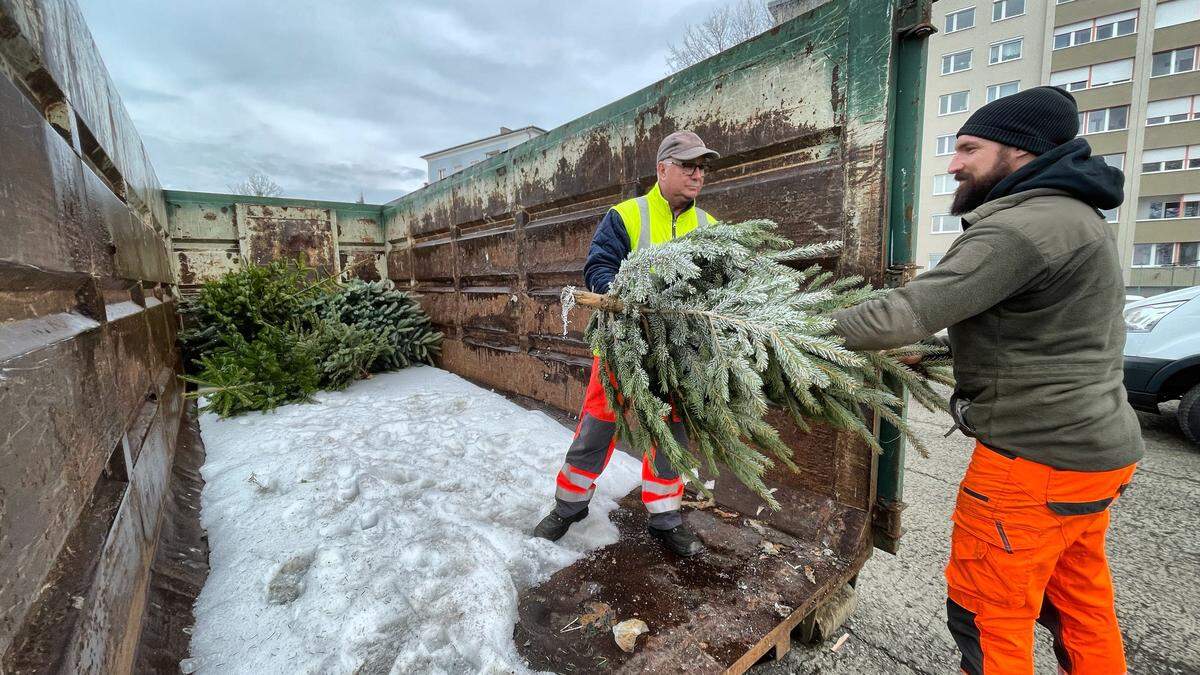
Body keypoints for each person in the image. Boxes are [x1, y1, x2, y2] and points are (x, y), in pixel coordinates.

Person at [832, 87, 1143, 674]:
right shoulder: (1077, 217)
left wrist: (775, 327)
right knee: (1078, 605)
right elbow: (1040, 331)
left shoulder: (1020, 228)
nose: (953, 164)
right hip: (1095, 454)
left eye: (969, 148)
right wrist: (941, 350)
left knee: (987, 614)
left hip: (1033, 464)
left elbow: (900, 312)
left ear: (1020, 153)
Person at [531, 131, 720, 557]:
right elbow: (598, 266)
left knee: (671, 432)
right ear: (663, 169)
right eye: (688, 165)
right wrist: (626, 298)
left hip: (676, 356)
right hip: (622, 348)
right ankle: (569, 506)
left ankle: (665, 516)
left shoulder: (710, 228)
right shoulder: (626, 215)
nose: (697, 173)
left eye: (702, 166)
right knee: (597, 427)